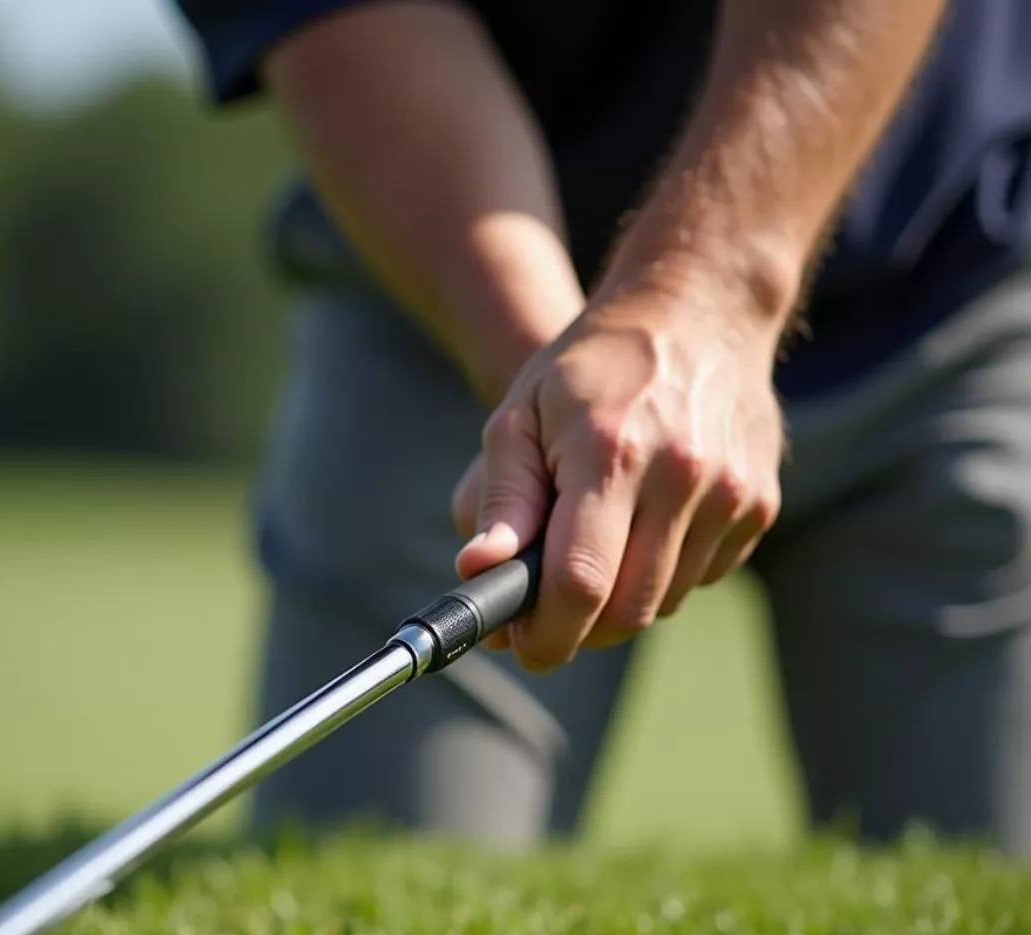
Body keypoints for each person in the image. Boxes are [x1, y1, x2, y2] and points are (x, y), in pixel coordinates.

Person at [172, 1, 1031, 855]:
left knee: (990, 912)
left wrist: (712, 291)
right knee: (360, 889)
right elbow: (343, 20)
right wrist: (551, 408)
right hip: (443, 283)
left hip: (947, 276)